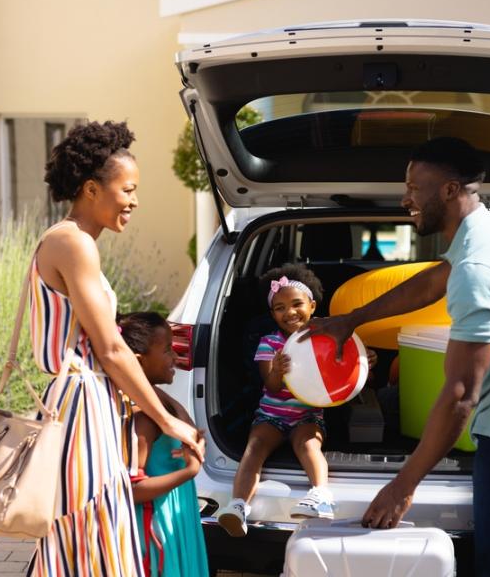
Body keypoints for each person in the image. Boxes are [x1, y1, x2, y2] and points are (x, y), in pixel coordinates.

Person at [306, 137, 490, 577]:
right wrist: (352, 319)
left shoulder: (478, 271)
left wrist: (403, 484)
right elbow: (432, 281)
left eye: (414, 188)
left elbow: (460, 395)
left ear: (450, 190)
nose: (405, 200)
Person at [28, 120, 204, 577]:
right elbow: (110, 348)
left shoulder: (75, 242)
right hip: (81, 404)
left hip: (90, 402)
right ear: (91, 188)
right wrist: (167, 421)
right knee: (92, 533)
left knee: (88, 536)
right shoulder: (72, 242)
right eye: (127, 189)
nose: (135, 201)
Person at [216, 264, 376, 537]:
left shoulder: (328, 337)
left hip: (307, 415)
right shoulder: (269, 343)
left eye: (296, 304)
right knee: (254, 447)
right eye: (279, 308)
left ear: (313, 306)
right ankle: (239, 505)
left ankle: (321, 495)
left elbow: (343, 377)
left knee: (308, 445)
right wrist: (276, 369)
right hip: (271, 414)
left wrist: (363, 363)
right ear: (272, 314)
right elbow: (272, 386)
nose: (289, 312)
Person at [117, 311, 209, 577]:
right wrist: (188, 473)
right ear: (138, 361)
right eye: (168, 350)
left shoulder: (158, 407)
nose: (176, 358)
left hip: (175, 522)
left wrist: (146, 388)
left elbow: (189, 428)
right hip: (156, 531)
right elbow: (131, 490)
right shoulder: (145, 419)